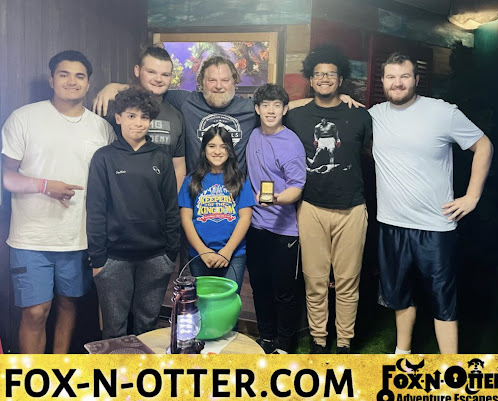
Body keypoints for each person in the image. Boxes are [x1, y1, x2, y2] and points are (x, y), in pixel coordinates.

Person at [369, 52, 493, 354]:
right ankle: (402, 353)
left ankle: (450, 366)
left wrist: (472, 196)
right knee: (400, 296)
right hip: (392, 223)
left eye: (404, 76)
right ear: (383, 81)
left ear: (416, 79)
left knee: (442, 299)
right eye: (391, 77)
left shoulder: (442, 112)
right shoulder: (374, 115)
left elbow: (483, 145)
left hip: (436, 226)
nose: (398, 83)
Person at [1, 50, 115, 353]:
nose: (72, 81)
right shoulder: (24, 118)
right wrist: (44, 186)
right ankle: (30, 378)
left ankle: (57, 372)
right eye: (64, 74)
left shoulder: (101, 128)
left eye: (80, 76)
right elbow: (7, 177)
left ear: (88, 83)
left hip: (77, 238)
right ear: (52, 80)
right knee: (35, 312)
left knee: (69, 305)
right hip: (31, 238)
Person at [92, 55, 360, 173]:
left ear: (235, 82)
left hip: (235, 192)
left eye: (225, 80)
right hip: (196, 192)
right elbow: (152, 88)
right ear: (201, 83)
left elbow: (284, 105)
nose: (218, 86)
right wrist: (114, 86)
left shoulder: (250, 106)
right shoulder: (185, 100)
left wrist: (333, 99)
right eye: (212, 80)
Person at [286, 45, 373, 354]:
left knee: (348, 282)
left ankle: (345, 342)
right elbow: (267, 109)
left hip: (352, 208)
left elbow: (374, 156)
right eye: (318, 74)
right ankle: (319, 341)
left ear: (341, 79)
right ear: (310, 79)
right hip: (311, 207)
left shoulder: (360, 115)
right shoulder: (295, 115)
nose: (324, 79)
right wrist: (300, 101)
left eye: (331, 74)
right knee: (315, 281)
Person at [86, 88, 180, 339]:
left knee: (147, 325)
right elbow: (95, 210)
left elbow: (171, 207)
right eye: (131, 116)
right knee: (114, 327)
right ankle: (116, 366)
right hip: (114, 258)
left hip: (156, 257)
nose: (138, 123)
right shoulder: (104, 158)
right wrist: (98, 258)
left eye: (144, 117)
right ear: (118, 118)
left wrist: (170, 253)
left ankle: (143, 366)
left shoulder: (161, 157)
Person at [245, 84, 306, 354]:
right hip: (255, 226)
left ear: (285, 109)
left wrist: (276, 199)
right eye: (266, 105)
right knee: (260, 287)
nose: (271, 111)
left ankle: (285, 345)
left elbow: (297, 187)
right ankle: (266, 338)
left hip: (285, 230)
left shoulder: (291, 143)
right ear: (257, 109)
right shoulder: (253, 135)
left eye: (277, 105)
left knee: (284, 291)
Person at [178, 126, 255, 293]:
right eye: (212, 146)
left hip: (234, 254)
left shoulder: (241, 180)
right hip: (199, 254)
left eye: (223, 146)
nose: (217, 152)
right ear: (204, 149)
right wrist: (203, 251)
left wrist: (228, 250)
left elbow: (245, 218)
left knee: (228, 302)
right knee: (202, 302)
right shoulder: (191, 181)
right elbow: (186, 219)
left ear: (230, 150)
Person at [108, 46, 186, 190]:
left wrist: (174, 200)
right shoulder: (116, 107)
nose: (158, 79)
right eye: (151, 72)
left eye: (165, 74)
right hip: (121, 197)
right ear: (137, 71)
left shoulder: (176, 115)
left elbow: (178, 167)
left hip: (160, 199)